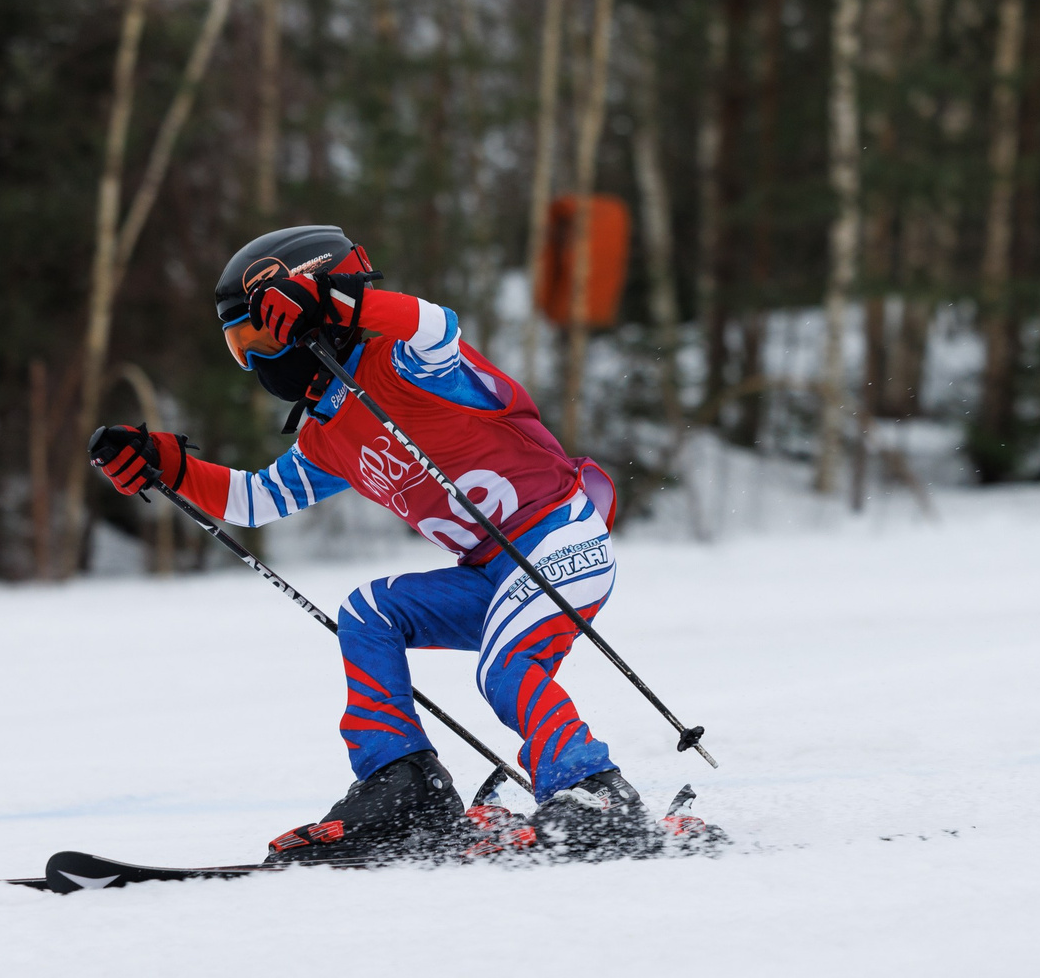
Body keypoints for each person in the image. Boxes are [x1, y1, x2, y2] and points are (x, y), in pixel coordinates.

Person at [87, 224, 662, 864]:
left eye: (259, 334)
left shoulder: (407, 361)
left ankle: (596, 794)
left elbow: (437, 326)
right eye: (238, 346)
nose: (253, 361)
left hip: (561, 536)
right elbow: (255, 501)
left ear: (304, 312)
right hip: (494, 575)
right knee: (370, 613)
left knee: (505, 669)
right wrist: (169, 467)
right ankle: (404, 784)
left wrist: (334, 304)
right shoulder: (330, 430)